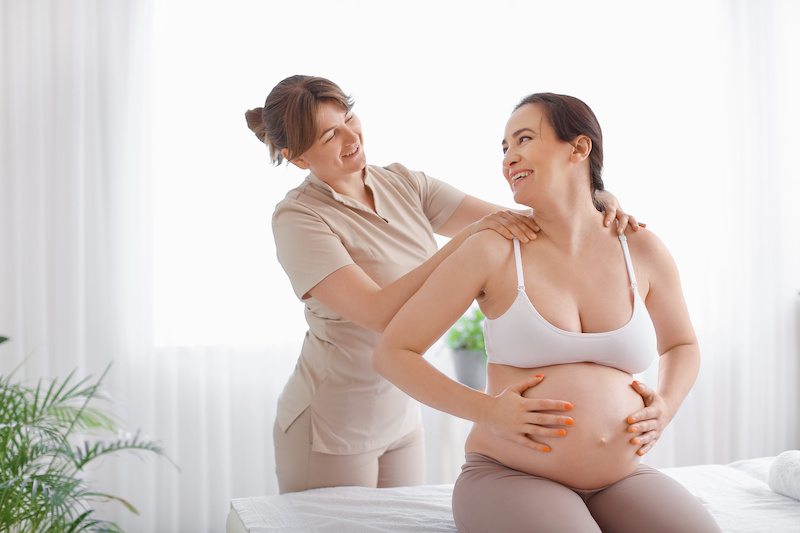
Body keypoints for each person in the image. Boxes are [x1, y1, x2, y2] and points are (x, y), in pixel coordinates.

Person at [245, 76, 638, 495]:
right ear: (297, 158)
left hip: (401, 416)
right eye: (329, 135)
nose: (351, 136)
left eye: (349, 118)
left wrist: (595, 200)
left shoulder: (403, 183)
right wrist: (465, 243)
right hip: (330, 421)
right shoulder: (298, 218)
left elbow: (526, 225)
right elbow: (378, 312)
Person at [373, 93, 720, 532]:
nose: (508, 158)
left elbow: (682, 344)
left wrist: (666, 406)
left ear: (578, 148)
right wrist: (488, 410)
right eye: (504, 148)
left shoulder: (641, 247)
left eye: (523, 139)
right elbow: (393, 352)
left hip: (620, 478)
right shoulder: (493, 248)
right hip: (510, 474)